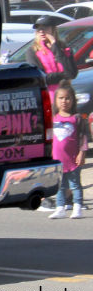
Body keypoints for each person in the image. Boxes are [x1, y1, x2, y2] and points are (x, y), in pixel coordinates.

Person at [49, 80, 87, 219]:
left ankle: (77, 207)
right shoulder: (53, 118)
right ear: (56, 100)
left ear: (72, 100)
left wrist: (82, 153)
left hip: (73, 158)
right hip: (57, 159)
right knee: (60, 185)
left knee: (75, 184)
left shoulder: (76, 118)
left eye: (67, 98)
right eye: (61, 98)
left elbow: (83, 137)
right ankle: (60, 208)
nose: (64, 101)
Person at [25, 15, 77, 103]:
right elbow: (39, 78)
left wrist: (54, 45)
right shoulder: (32, 51)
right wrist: (63, 76)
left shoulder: (63, 48)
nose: (41, 31)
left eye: (44, 28)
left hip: (66, 99)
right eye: (38, 29)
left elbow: (72, 73)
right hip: (48, 98)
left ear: (53, 29)